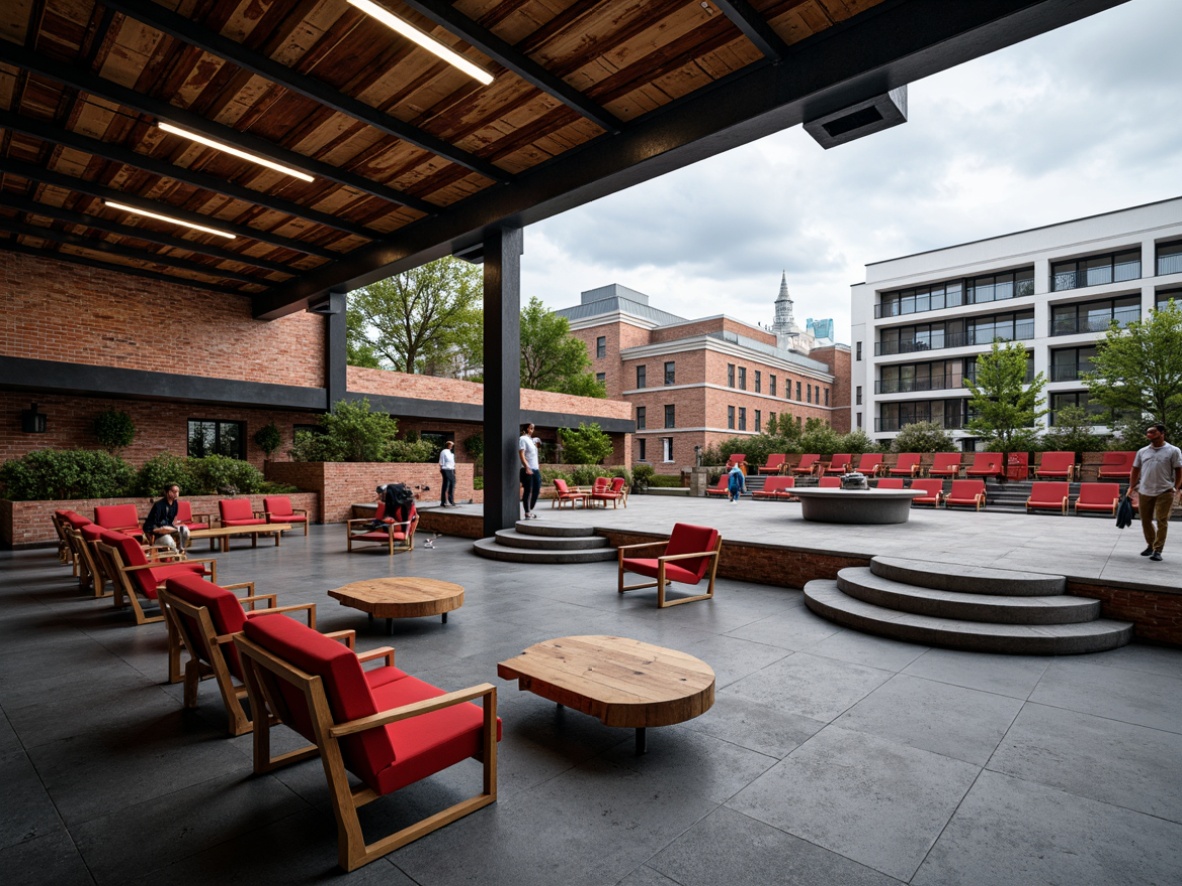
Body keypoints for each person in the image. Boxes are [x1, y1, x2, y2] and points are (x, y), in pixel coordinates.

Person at [1129, 422, 1182, 562]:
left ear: (1162, 433)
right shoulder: (1142, 451)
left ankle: (1158, 550)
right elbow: (1135, 469)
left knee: (1161, 520)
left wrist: (1176, 487)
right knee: (1145, 520)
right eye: (1148, 432)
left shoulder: (1173, 450)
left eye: (1152, 432)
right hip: (1145, 490)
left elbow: (1179, 470)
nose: (1149, 435)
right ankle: (1150, 545)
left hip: (1165, 490)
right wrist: (1131, 486)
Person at [142, 483, 189, 552]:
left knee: (185, 530)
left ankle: (181, 550)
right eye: (174, 491)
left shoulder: (175, 503)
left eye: (178, 492)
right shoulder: (159, 505)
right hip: (155, 531)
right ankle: (175, 553)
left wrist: (173, 527)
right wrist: (162, 529)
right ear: (168, 492)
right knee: (169, 542)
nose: (177, 494)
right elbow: (153, 525)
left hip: (168, 528)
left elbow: (172, 520)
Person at [519, 422, 541, 519]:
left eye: (533, 428)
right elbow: (521, 454)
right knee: (528, 491)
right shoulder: (522, 439)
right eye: (531, 428)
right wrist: (527, 467)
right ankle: (527, 512)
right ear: (527, 428)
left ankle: (530, 508)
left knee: (537, 489)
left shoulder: (531, 440)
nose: (532, 430)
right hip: (527, 469)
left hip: (535, 469)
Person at [438, 440, 456, 507]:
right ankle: (443, 502)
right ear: (448, 445)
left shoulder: (451, 453)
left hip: (451, 469)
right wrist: (441, 468)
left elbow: (452, 463)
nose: (452, 446)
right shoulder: (444, 452)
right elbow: (441, 461)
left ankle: (451, 501)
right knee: (446, 485)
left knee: (452, 484)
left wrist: (454, 470)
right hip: (445, 469)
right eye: (451, 445)